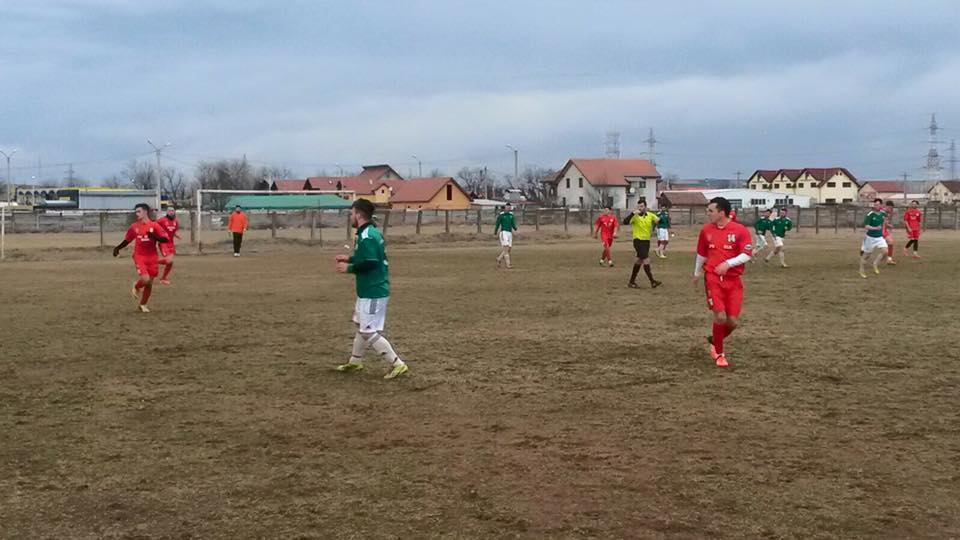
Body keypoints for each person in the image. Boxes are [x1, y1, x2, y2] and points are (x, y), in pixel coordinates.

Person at [334, 198, 409, 379]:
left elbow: (371, 262)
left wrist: (349, 268)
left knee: (368, 330)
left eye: (352, 213)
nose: (350, 216)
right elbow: (367, 257)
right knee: (361, 325)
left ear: (359, 214)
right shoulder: (367, 232)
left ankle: (398, 364)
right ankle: (355, 362)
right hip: (368, 290)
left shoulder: (367, 235)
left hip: (374, 290)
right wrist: (350, 259)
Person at [692, 197, 753, 368]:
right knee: (720, 316)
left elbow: (747, 254)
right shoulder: (706, 230)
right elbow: (702, 254)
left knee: (732, 322)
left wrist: (728, 263)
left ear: (721, 212)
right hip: (712, 278)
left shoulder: (739, 230)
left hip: (733, 281)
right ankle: (720, 354)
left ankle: (715, 340)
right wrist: (697, 273)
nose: (707, 213)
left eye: (710, 211)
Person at [113, 203, 170, 313]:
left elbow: (165, 239)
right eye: (136, 212)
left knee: (149, 283)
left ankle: (143, 304)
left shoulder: (155, 226)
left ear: (145, 212)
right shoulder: (134, 227)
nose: (136, 214)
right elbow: (127, 240)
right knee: (145, 279)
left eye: (138, 211)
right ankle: (137, 286)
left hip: (152, 257)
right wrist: (117, 248)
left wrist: (154, 237)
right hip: (139, 256)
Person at [623, 199, 661, 288]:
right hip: (638, 241)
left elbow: (659, 221)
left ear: (645, 207)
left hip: (646, 241)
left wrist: (659, 221)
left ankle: (631, 282)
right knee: (646, 260)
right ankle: (652, 281)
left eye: (642, 206)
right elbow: (625, 222)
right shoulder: (635, 216)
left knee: (639, 261)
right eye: (639, 206)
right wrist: (632, 213)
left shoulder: (650, 215)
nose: (640, 208)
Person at [859, 198, 889, 278]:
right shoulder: (870, 214)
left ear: (881, 205)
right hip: (870, 238)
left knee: (885, 251)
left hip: (879, 237)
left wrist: (886, 223)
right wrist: (875, 228)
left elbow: (885, 219)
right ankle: (861, 270)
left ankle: (875, 263)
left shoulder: (883, 213)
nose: (876, 206)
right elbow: (866, 226)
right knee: (866, 256)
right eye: (875, 205)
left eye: (878, 204)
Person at [156, 205, 182, 285]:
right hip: (163, 243)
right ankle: (152, 261)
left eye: (172, 211)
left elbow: (174, 231)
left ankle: (163, 278)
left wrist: (178, 235)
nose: (171, 212)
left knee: (170, 262)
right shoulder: (161, 220)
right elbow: (153, 228)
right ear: (167, 212)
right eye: (170, 210)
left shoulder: (175, 221)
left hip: (171, 243)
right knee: (169, 260)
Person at [493, 203, 518, 269]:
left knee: (509, 249)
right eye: (507, 207)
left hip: (509, 233)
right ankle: (508, 264)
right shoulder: (501, 215)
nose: (508, 208)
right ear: (505, 208)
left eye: (509, 207)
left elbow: (512, 223)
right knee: (506, 248)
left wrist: (515, 229)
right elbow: (497, 224)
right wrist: (495, 232)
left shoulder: (511, 215)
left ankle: (499, 258)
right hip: (504, 232)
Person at [882, 200, 897, 265]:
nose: (891, 209)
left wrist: (888, 225)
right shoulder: (881, 212)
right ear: (886, 206)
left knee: (890, 242)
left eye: (892, 208)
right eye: (890, 208)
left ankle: (889, 260)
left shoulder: (888, 213)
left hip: (884, 230)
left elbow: (885, 222)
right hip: (878, 230)